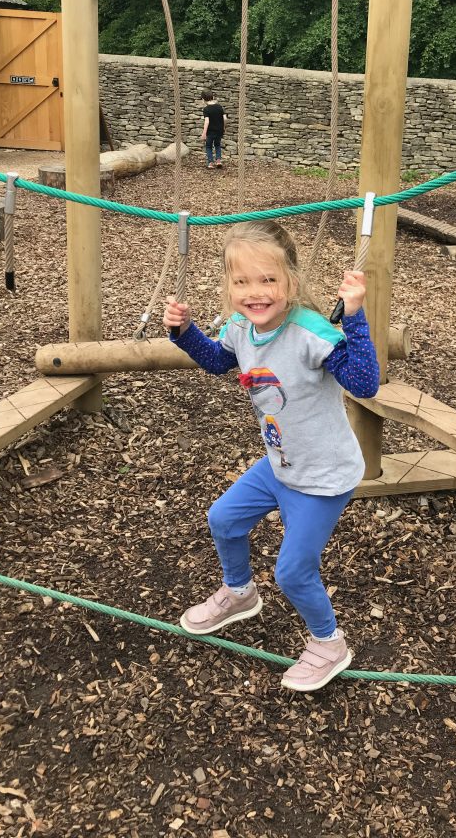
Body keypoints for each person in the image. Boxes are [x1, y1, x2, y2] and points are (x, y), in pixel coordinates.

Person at [163, 220, 380, 691]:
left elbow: (364, 383)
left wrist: (357, 316)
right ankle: (240, 592)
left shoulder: (312, 334)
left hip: (323, 477)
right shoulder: (241, 326)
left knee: (294, 571)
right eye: (242, 282)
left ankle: (329, 644)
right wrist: (184, 332)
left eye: (268, 280)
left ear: (291, 283)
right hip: (280, 463)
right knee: (223, 518)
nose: (254, 292)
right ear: (228, 286)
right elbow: (220, 361)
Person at [200, 89, 226, 169]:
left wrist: (204, 133)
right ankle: (218, 161)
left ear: (203, 99)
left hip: (210, 132)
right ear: (213, 97)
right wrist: (224, 127)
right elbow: (225, 118)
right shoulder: (219, 107)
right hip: (219, 130)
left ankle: (210, 163)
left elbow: (207, 121)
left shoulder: (206, 109)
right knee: (217, 145)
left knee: (208, 146)